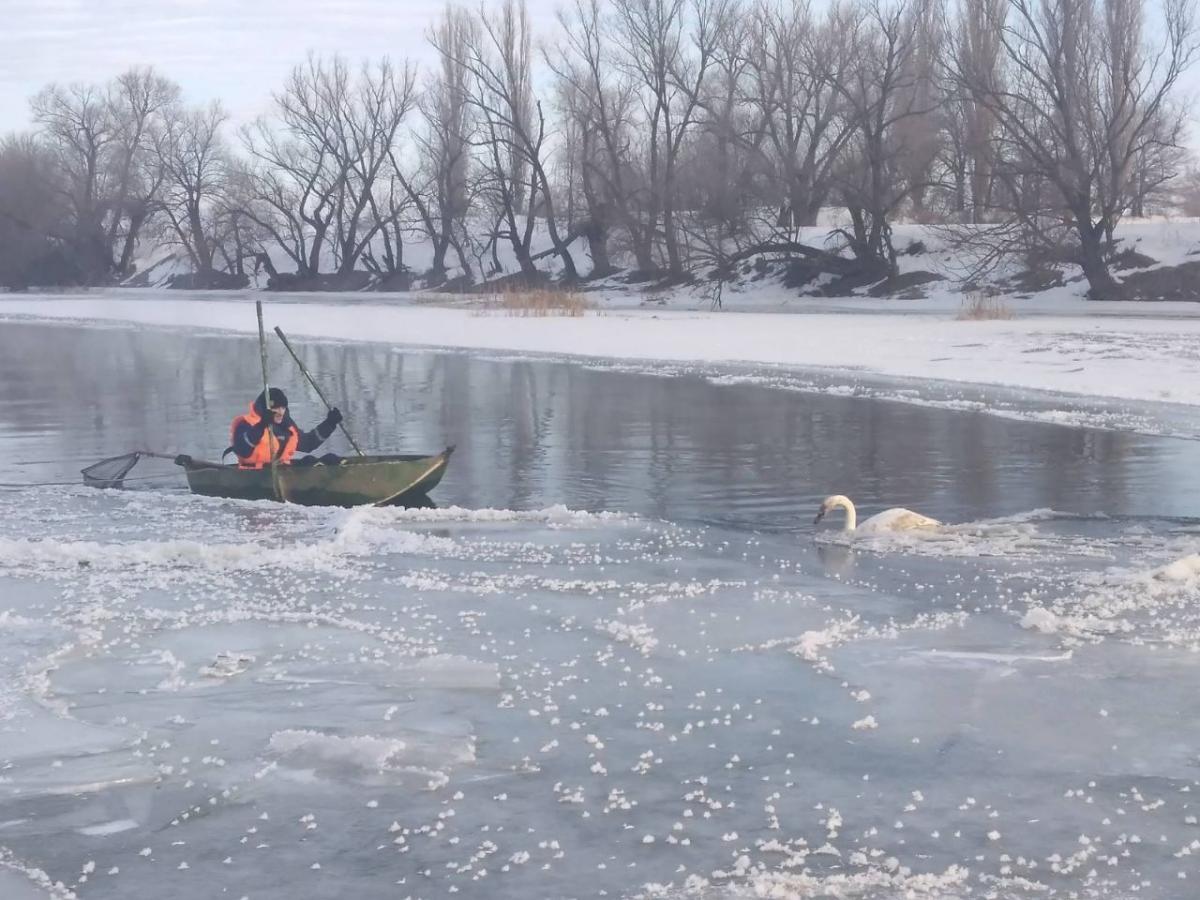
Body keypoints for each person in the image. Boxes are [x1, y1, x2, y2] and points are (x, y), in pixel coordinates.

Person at [227, 388, 344, 468]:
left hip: (284, 472)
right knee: (309, 463)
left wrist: (329, 424)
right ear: (264, 409)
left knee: (329, 459)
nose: (280, 412)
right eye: (275, 408)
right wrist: (261, 425)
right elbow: (241, 449)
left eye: (283, 408)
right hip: (256, 474)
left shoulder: (286, 425)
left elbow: (308, 444)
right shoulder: (247, 423)